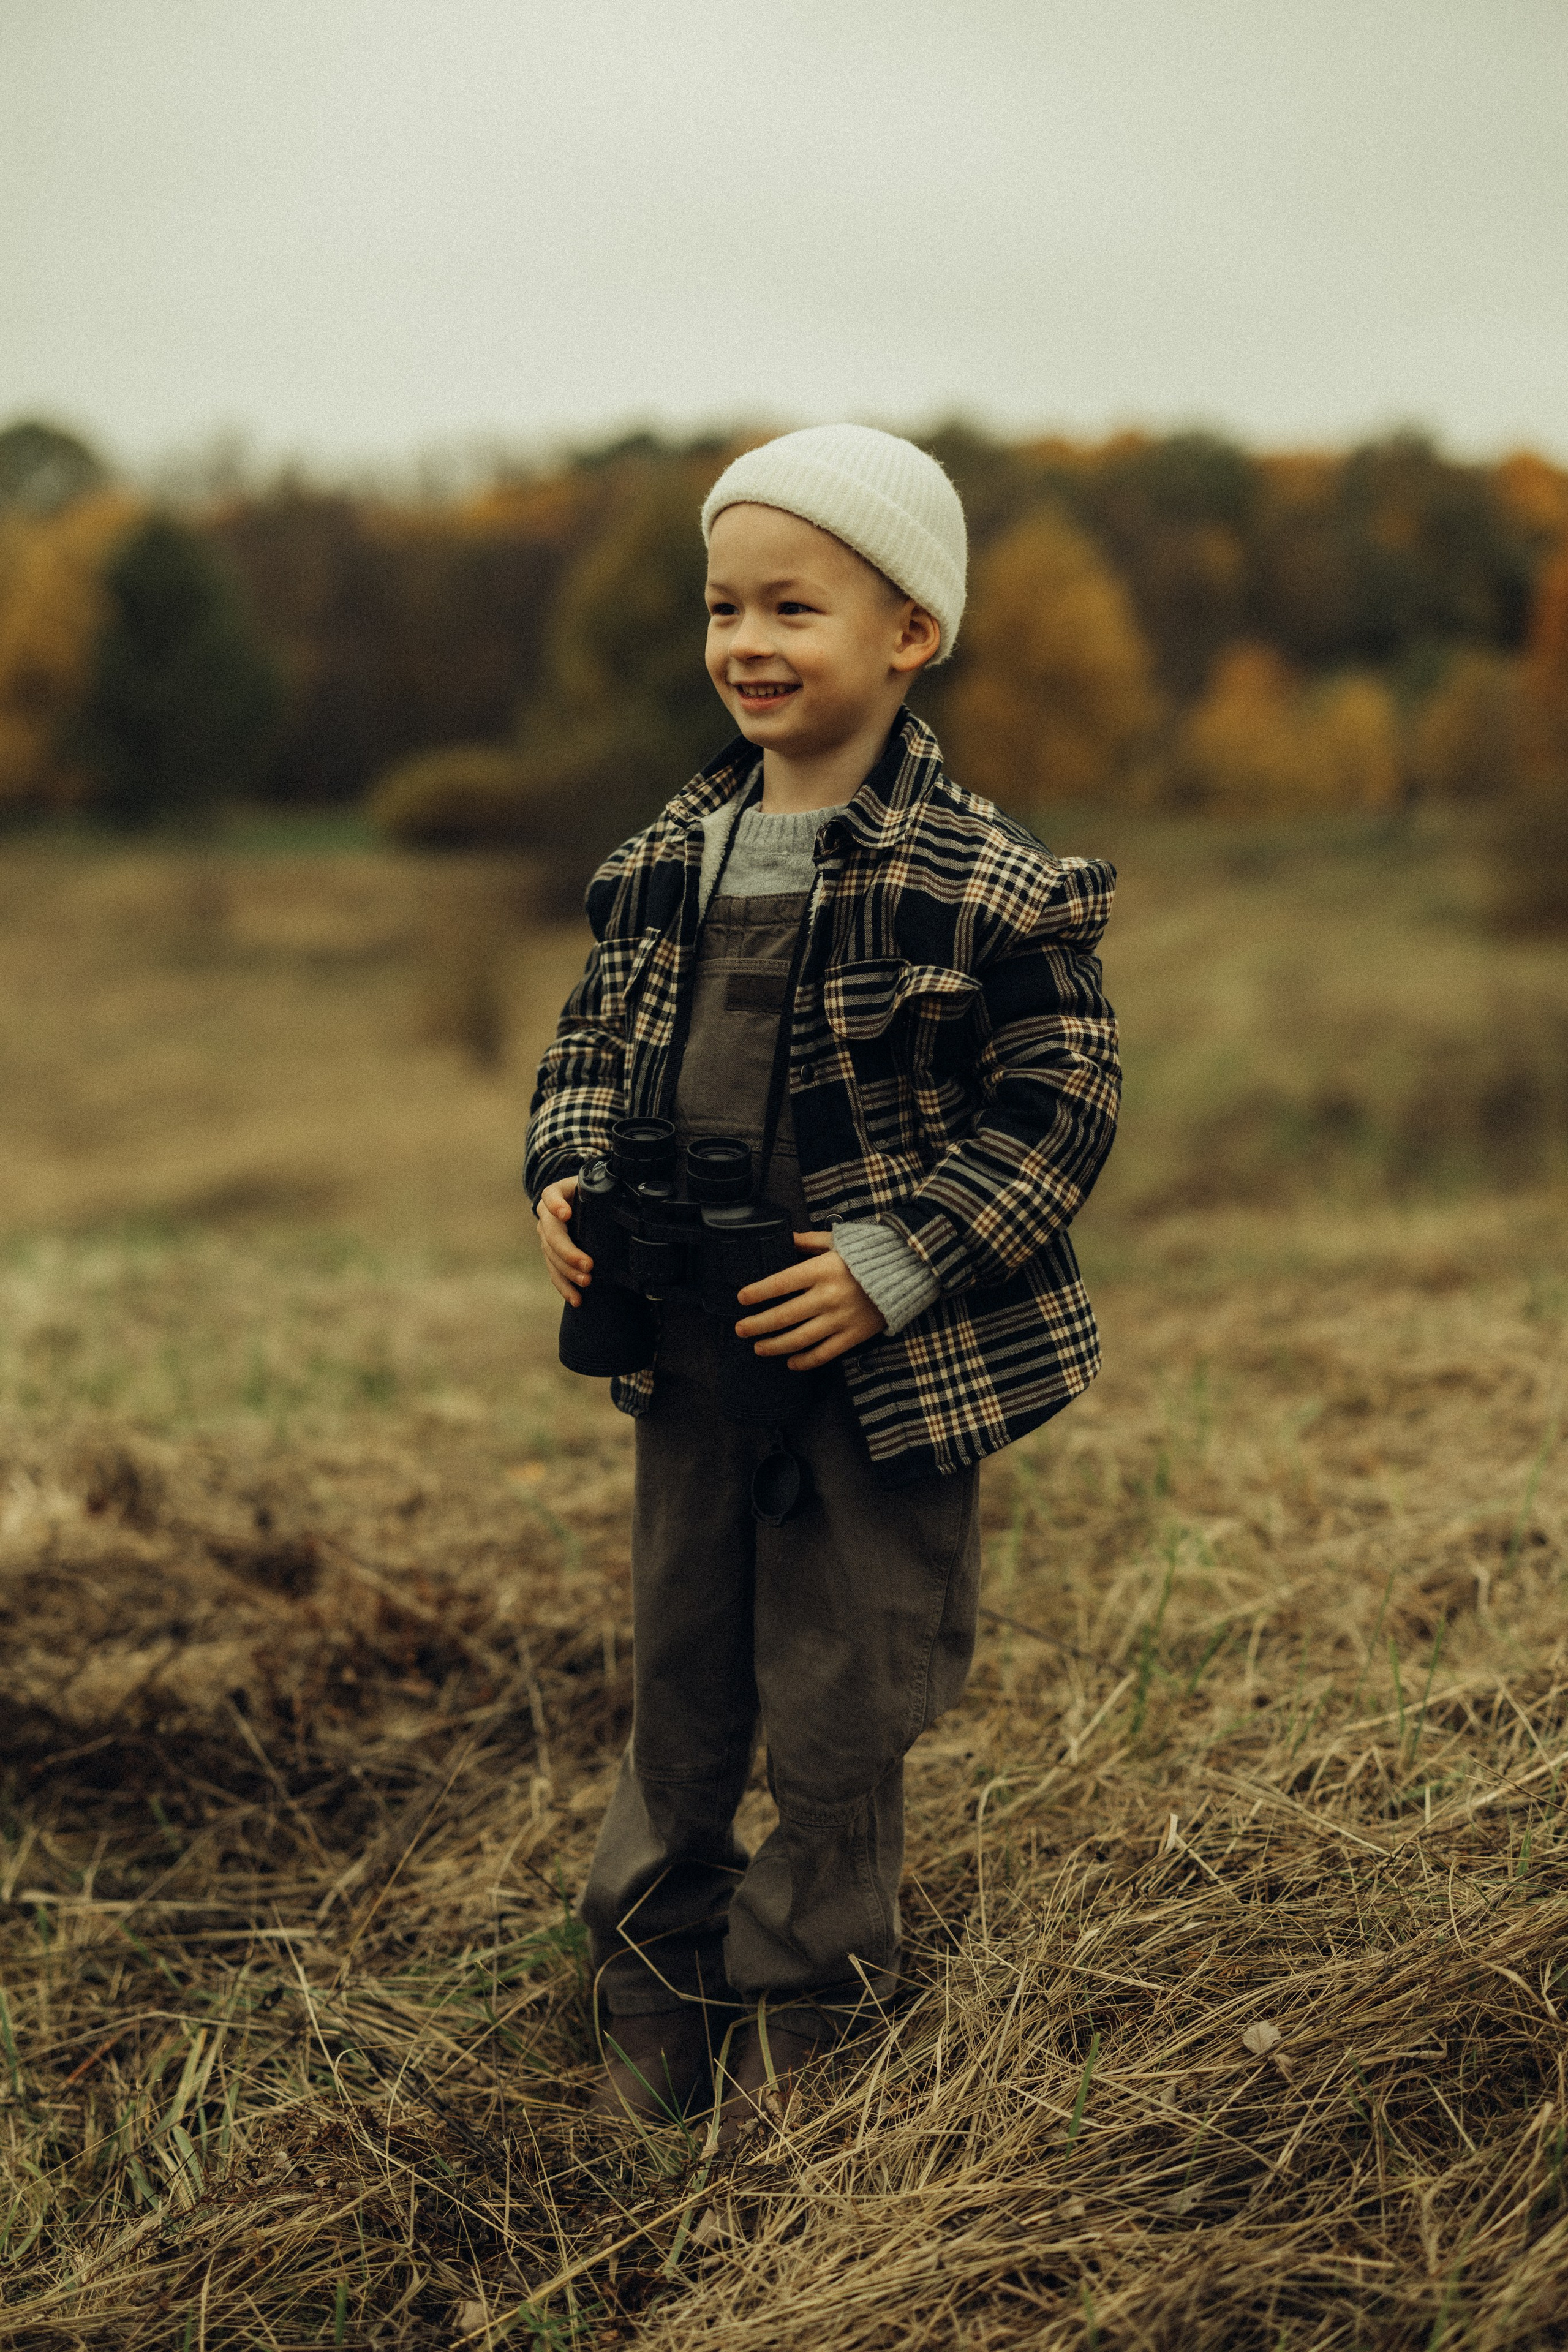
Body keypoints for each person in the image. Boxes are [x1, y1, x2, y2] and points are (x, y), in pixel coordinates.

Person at [526, 424, 1119, 2143]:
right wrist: (567, 1175)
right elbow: (584, 1052)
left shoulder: (986, 880)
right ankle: (654, 1975)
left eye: (796, 606)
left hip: (879, 1371)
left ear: (910, 633)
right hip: (692, 1355)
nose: (748, 644)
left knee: (846, 1701)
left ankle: (806, 2008)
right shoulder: (664, 862)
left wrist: (894, 1262)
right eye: (725, 607)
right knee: (684, 1685)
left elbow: (1062, 1107)